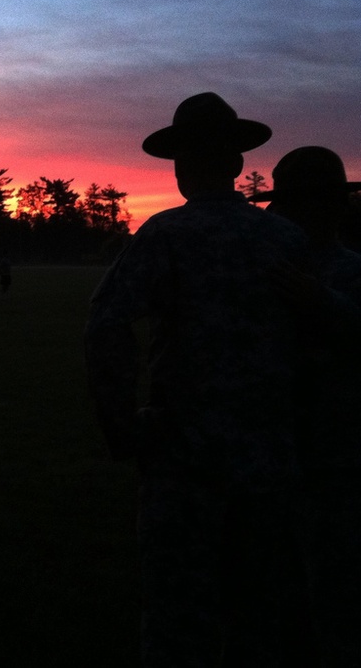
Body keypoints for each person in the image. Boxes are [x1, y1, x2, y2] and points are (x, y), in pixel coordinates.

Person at [84, 93, 309, 667]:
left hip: (182, 463)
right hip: (270, 462)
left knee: (178, 624)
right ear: (236, 164)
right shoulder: (284, 239)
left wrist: (122, 427)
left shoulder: (165, 235)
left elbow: (106, 324)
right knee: (261, 620)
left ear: (183, 165)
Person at [250, 146, 361, 666]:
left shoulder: (353, 272)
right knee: (275, 601)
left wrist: (325, 306)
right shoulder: (264, 273)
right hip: (270, 456)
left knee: (337, 600)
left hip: (337, 459)